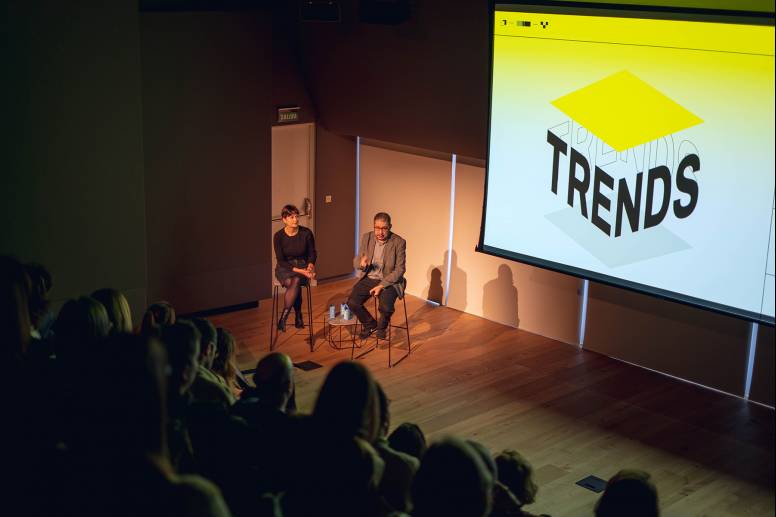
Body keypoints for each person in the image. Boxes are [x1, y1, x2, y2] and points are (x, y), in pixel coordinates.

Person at [348, 212, 406, 340]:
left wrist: (381, 285)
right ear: (374, 226)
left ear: (390, 227)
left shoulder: (399, 242)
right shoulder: (367, 237)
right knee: (352, 302)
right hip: (369, 278)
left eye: (384, 228)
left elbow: (400, 269)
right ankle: (370, 324)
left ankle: (382, 327)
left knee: (385, 307)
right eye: (377, 228)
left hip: (389, 281)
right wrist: (361, 264)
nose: (380, 232)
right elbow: (357, 260)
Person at [273, 204, 317, 332]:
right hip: (285, 268)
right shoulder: (278, 236)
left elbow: (312, 253)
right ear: (284, 219)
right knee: (295, 282)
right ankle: (298, 315)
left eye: (297, 216)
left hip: (302, 264)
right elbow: (281, 261)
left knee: (296, 281)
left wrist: (310, 265)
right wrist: (301, 271)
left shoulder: (306, 233)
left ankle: (283, 319)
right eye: (291, 217)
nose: (295, 219)